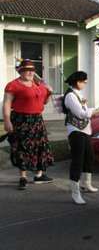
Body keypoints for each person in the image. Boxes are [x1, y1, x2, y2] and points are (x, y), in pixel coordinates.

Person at [2, 59, 55, 190]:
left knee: (38, 148)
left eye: (32, 70)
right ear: (20, 71)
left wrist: (48, 93)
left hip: (37, 120)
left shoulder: (37, 84)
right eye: (27, 70)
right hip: (21, 120)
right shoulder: (13, 85)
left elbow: (44, 102)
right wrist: (7, 121)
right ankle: (23, 178)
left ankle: (38, 175)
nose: (30, 73)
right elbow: (7, 104)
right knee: (22, 148)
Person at [62, 71, 99, 204]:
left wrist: (98, 109)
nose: (85, 85)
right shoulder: (70, 96)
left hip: (85, 130)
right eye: (84, 82)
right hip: (76, 131)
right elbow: (81, 114)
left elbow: (85, 110)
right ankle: (75, 193)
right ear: (78, 82)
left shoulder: (77, 94)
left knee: (89, 158)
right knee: (77, 161)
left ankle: (85, 183)